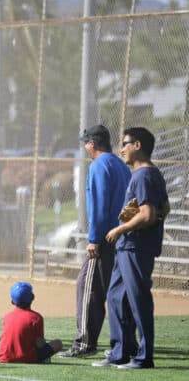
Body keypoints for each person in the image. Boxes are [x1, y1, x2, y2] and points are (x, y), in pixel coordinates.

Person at [93, 127, 169, 369]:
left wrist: (120, 229)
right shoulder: (148, 174)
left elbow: (148, 214)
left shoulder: (143, 175)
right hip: (128, 248)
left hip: (135, 247)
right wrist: (138, 219)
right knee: (116, 298)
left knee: (138, 300)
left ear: (137, 146)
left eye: (125, 143)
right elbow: (163, 208)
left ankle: (143, 357)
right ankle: (120, 352)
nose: (121, 149)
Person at [59, 125, 131, 358]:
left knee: (87, 288)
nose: (85, 147)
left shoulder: (100, 165)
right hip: (121, 235)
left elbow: (100, 206)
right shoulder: (120, 164)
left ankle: (85, 343)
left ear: (93, 144)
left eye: (86, 143)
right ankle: (127, 343)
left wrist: (94, 239)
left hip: (105, 237)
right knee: (116, 291)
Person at [0, 282, 62, 363]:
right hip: (27, 358)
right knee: (58, 343)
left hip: (4, 357)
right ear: (33, 297)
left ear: (12, 302)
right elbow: (40, 345)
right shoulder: (36, 317)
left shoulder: (7, 316)